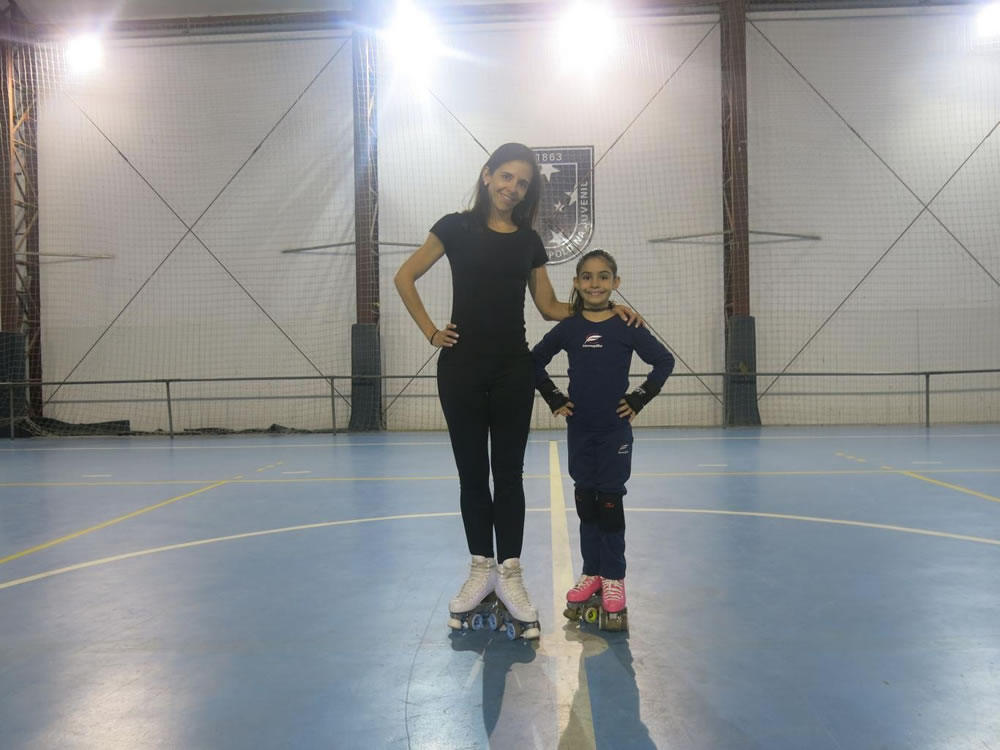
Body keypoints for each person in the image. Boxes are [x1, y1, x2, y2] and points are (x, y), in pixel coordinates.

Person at [394, 143, 640, 639]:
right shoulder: (454, 227)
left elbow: (549, 306)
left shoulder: (528, 241)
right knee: (471, 474)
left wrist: (603, 308)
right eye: (506, 176)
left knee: (508, 475)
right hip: (461, 369)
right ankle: (479, 569)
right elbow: (405, 276)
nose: (513, 188)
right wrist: (430, 331)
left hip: (512, 370)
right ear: (487, 175)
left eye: (523, 183)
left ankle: (510, 573)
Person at [531, 248, 674, 630]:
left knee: (609, 502)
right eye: (588, 276)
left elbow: (664, 361)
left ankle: (614, 577)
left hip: (614, 431)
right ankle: (591, 571)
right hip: (580, 429)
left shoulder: (628, 326)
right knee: (585, 501)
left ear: (616, 282)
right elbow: (533, 361)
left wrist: (640, 397)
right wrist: (554, 397)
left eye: (603, 276)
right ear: (577, 283)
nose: (595, 283)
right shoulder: (569, 327)